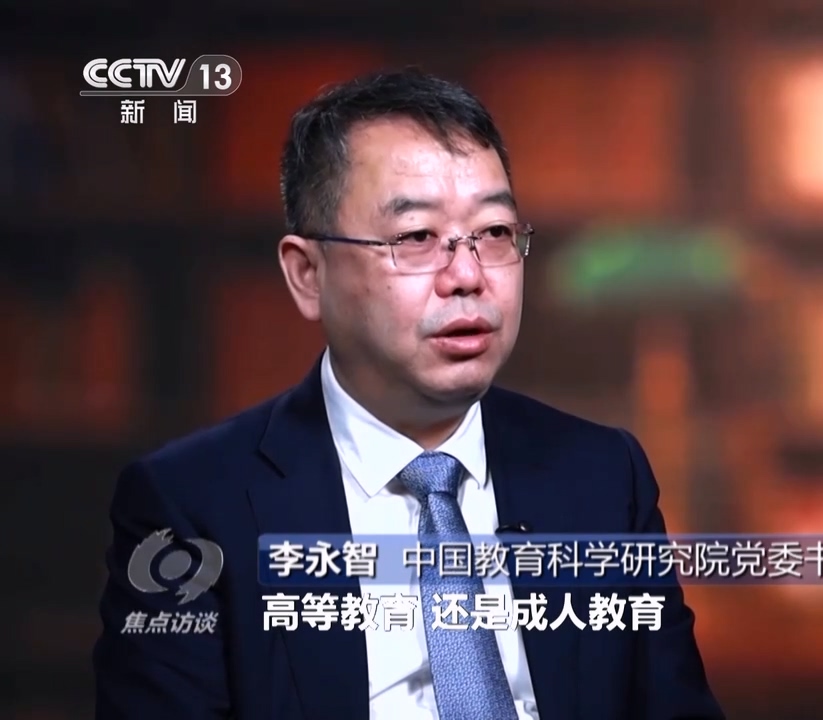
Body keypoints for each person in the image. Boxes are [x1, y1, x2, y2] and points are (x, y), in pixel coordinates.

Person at [92, 68, 724, 720]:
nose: (468, 275)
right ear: (307, 275)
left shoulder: (603, 475)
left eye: (495, 232)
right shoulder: (190, 504)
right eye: (417, 237)